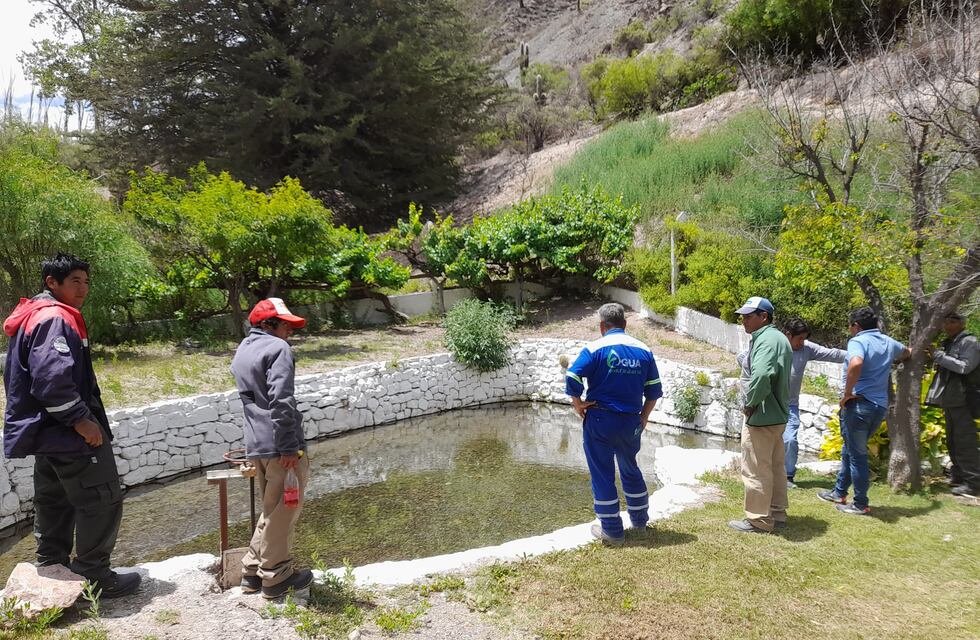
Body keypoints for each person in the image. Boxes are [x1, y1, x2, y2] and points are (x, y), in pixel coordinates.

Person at [2, 254, 141, 597]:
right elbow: (51, 380)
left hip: (46, 435)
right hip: (69, 435)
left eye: (86, 282)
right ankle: (95, 577)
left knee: (54, 501)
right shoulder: (54, 319)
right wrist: (81, 420)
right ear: (52, 282)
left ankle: (52, 568)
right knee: (102, 499)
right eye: (75, 281)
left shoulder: (33, 315)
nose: (83, 289)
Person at [231, 298, 314, 599]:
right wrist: (290, 446)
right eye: (285, 325)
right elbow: (281, 400)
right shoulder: (278, 349)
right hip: (281, 447)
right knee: (285, 510)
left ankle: (252, 572)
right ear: (268, 325)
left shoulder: (243, 349)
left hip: (257, 445)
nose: (289, 332)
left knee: (271, 508)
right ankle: (276, 576)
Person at [565, 303, 663, 546]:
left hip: (600, 419)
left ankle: (612, 531)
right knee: (630, 469)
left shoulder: (594, 348)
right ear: (625, 324)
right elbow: (654, 390)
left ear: (601, 326)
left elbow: (572, 376)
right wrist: (644, 417)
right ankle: (639, 523)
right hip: (631, 421)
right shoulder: (644, 351)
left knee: (602, 474)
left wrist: (578, 404)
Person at [818, 307, 910, 515]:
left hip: (859, 405)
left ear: (856, 326)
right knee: (849, 450)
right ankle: (839, 492)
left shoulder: (858, 341)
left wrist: (847, 392)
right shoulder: (888, 342)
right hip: (878, 407)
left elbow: (856, 362)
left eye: (850, 326)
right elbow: (907, 353)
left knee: (857, 455)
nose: (850, 330)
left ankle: (860, 503)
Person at [729, 296, 792, 534]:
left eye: (748, 316)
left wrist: (751, 403)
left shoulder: (766, 340)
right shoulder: (779, 338)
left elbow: (763, 375)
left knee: (755, 468)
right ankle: (777, 512)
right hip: (778, 415)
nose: (743, 320)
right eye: (742, 316)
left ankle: (759, 520)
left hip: (762, 415)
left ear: (763, 316)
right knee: (775, 466)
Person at [781, 318, 848, 489]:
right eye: (799, 338)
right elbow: (745, 358)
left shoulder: (806, 349)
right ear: (788, 335)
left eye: (804, 338)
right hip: (769, 404)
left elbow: (831, 354)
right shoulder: (774, 345)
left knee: (790, 440)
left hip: (790, 407)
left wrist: (856, 354)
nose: (802, 342)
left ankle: (788, 476)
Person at [925, 311, 979, 498]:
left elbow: (965, 367)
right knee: (953, 441)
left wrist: (939, 356)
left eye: (953, 320)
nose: (947, 324)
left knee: (965, 442)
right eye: (945, 320)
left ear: (962, 323)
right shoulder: (950, 342)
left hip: (964, 400)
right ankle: (959, 477)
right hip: (951, 400)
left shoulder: (969, 342)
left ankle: (974, 484)